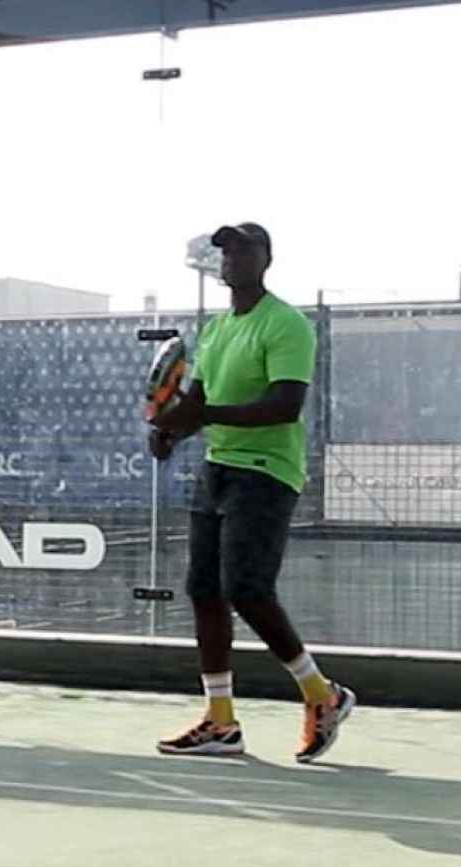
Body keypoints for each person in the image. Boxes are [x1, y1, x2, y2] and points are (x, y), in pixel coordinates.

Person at [149, 222, 355, 762]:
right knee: (205, 591)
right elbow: (197, 400)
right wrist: (170, 430)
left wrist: (204, 415)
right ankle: (221, 723)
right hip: (218, 468)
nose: (230, 258)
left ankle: (322, 696)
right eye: (224, 250)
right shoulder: (216, 330)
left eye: (242, 249)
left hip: (267, 470)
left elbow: (285, 405)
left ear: (266, 259)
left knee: (247, 588)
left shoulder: (286, 325)